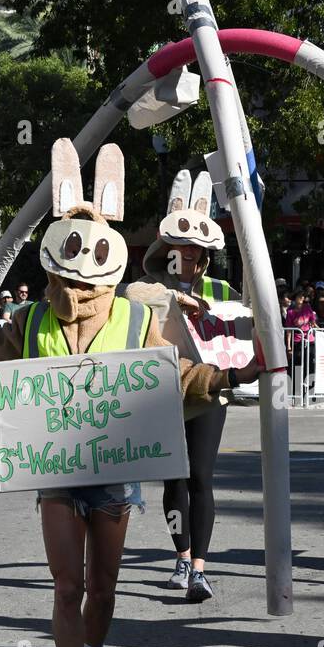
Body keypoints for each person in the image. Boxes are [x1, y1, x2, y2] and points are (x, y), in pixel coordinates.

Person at [0, 143, 261, 647]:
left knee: (103, 588)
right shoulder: (30, 320)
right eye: (71, 241)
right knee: (67, 585)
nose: (81, 255)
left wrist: (236, 375)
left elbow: (173, 376)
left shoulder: (136, 317)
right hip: (57, 474)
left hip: (115, 474)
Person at [132, 166, 253, 603]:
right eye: (179, 248)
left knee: (201, 476)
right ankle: (181, 556)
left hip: (208, 391)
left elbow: (245, 316)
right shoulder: (151, 284)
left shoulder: (220, 287)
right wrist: (177, 298)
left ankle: (199, 568)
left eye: (194, 250)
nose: (186, 256)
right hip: (162, 394)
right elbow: (130, 296)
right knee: (173, 481)